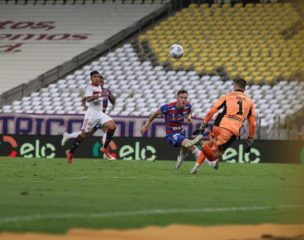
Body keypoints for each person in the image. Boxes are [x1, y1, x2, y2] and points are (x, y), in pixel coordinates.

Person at [190, 78, 256, 174]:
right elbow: (252, 124)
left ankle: (196, 167)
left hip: (218, 124)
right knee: (213, 155)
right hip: (230, 130)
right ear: (244, 88)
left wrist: (203, 125)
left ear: (234, 86)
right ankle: (201, 143)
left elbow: (211, 112)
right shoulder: (250, 102)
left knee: (210, 145)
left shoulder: (227, 96)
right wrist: (250, 139)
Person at [140, 89, 216, 170]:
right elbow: (155, 114)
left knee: (185, 150)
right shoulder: (168, 108)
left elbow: (189, 111)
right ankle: (210, 162)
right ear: (177, 98)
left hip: (182, 132)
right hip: (172, 134)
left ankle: (178, 163)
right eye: (181, 97)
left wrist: (190, 116)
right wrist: (146, 125)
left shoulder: (187, 106)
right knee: (191, 146)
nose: (183, 100)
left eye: (185, 98)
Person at [65, 71, 117, 164]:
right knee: (84, 135)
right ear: (91, 78)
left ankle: (105, 148)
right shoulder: (90, 87)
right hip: (91, 116)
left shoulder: (103, 89)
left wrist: (108, 94)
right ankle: (70, 152)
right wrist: (98, 96)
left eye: (99, 77)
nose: (98, 79)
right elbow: (88, 99)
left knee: (112, 126)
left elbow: (113, 101)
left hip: (100, 114)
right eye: (95, 77)